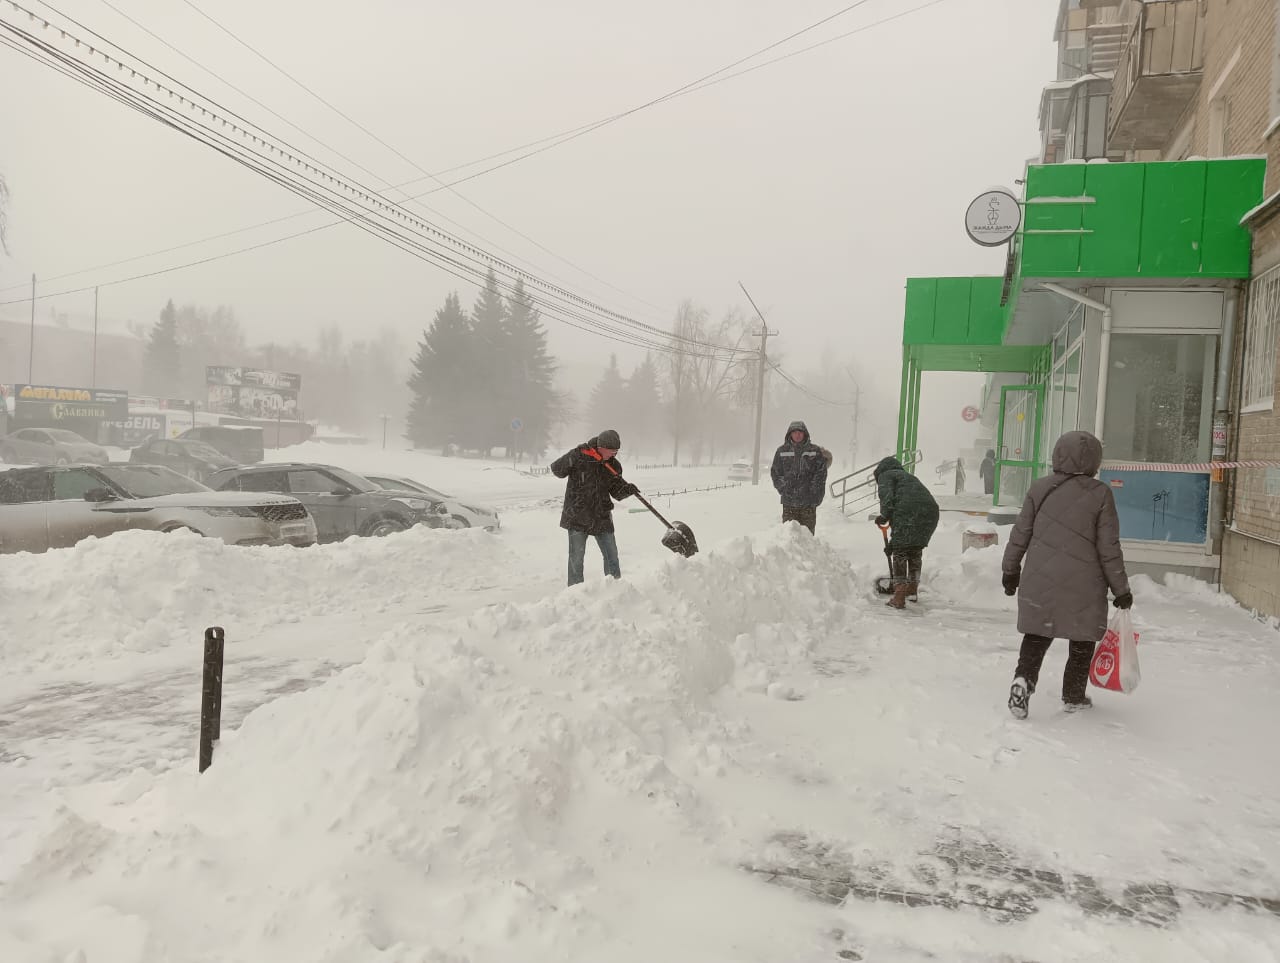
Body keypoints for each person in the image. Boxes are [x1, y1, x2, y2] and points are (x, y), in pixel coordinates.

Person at [1001, 431, 1132, 718]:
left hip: (1040, 578)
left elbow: (1019, 534)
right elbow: (1109, 547)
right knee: (1082, 638)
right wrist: (1121, 589)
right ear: (1095, 460)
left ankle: (1023, 679)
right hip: (1084, 583)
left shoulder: (1039, 488)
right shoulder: (1101, 494)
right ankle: (1073, 694)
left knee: (1036, 634)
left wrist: (1010, 570)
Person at [550, 429, 639, 586]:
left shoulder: (613, 465)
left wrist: (627, 490)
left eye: (616, 452)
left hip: (601, 516)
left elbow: (616, 491)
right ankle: (575, 593)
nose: (614, 455)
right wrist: (573, 455)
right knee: (576, 559)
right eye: (612, 451)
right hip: (577, 514)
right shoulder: (580, 455)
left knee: (611, 556)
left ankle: (617, 589)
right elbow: (557, 469)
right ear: (601, 447)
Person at [873, 455, 940, 609]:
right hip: (930, 513)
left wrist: (884, 516)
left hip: (910, 512)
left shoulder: (885, 475)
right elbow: (903, 533)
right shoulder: (907, 477)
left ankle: (899, 596)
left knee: (900, 553)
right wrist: (893, 544)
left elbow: (887, 499)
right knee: (914, 550)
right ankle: (911, 590)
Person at [770, 420, 832, 534]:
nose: (797, 435)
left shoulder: (814, 451)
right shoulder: (781, 451)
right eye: (794, 432)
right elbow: (775, 472)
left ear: (805, 434)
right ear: (790, 434)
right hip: (789, 503)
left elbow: (821, 474)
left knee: (807, 538)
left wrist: (814, 493)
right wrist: (783, 487)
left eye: (800, 432)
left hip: (808, 504)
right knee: (789, 537)